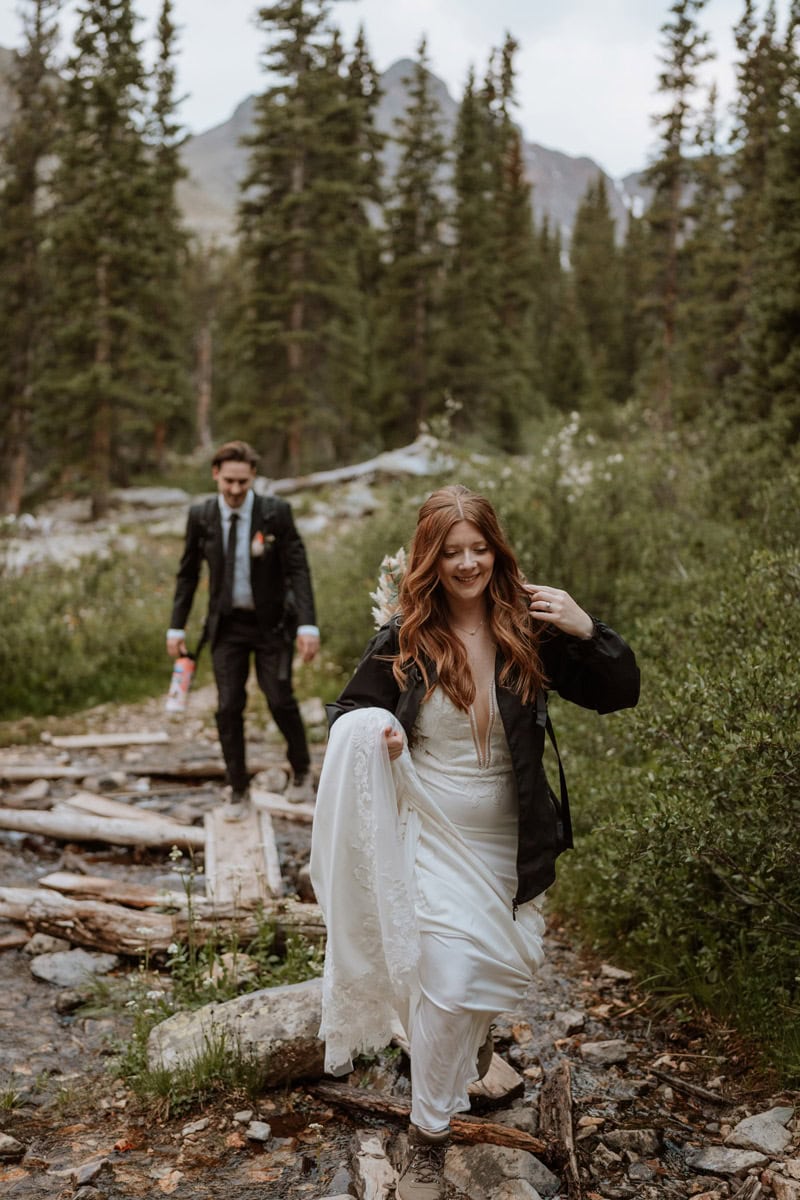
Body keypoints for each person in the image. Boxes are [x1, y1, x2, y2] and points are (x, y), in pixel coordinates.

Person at [310, 484, 639, 1200]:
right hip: (430, 831)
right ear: (431, 558)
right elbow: (346, 713)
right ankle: (427, 1139)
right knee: (450, 983)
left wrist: (588, 628)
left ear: (496, 548)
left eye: (478, 548)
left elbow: (620, 691)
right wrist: (377, 730)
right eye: (452, 552)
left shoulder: (533, 627)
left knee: (481, 979)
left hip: (509, 842)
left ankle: (470, 1037)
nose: (467, 564)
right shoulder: (405, 638)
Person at [167, 440, 319, 817]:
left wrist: (308, 624)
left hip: (273, 625)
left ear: (253, 478)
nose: (235, 490)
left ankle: (301, 770)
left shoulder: (275, 514)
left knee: (279, 697)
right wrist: (176, 627)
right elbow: (188, 574)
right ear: (216, 475)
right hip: (226, 626)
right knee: (228, 706)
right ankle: (238, 789)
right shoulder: (201, 516)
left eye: (243, 483)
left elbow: (298, 569)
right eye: (229, 481)